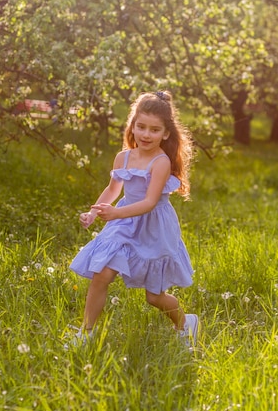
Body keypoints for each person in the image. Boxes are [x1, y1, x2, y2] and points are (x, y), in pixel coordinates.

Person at [68, 90, 198, 348]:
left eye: (154, 129)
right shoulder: (124, 157)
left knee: (154, 297)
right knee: (101, 274)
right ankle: (86, 333)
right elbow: (113, 189)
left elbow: (149, 202)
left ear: (166, 133)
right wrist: (94, 212)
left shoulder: (161, 162)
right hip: (125, 223)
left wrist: (115, 213)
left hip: (153, 227)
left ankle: (186, 323)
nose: (146, 135)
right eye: (141, 127)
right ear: (132, 126)